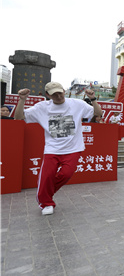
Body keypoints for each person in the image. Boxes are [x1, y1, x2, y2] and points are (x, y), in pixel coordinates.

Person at [14, 82, 102, 215]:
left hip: (73, 148)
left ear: (64, 91)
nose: (59, 96)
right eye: (54, 94)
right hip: (52, 149)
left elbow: (98, 113)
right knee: (47, 176)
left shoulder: (77, 104)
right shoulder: (42, 107)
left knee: (66, 174)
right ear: (48, 95)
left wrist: (93, 99)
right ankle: (46, 203)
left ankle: (45, 193)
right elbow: (18, 117)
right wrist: (22, 100)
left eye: (60, 93)